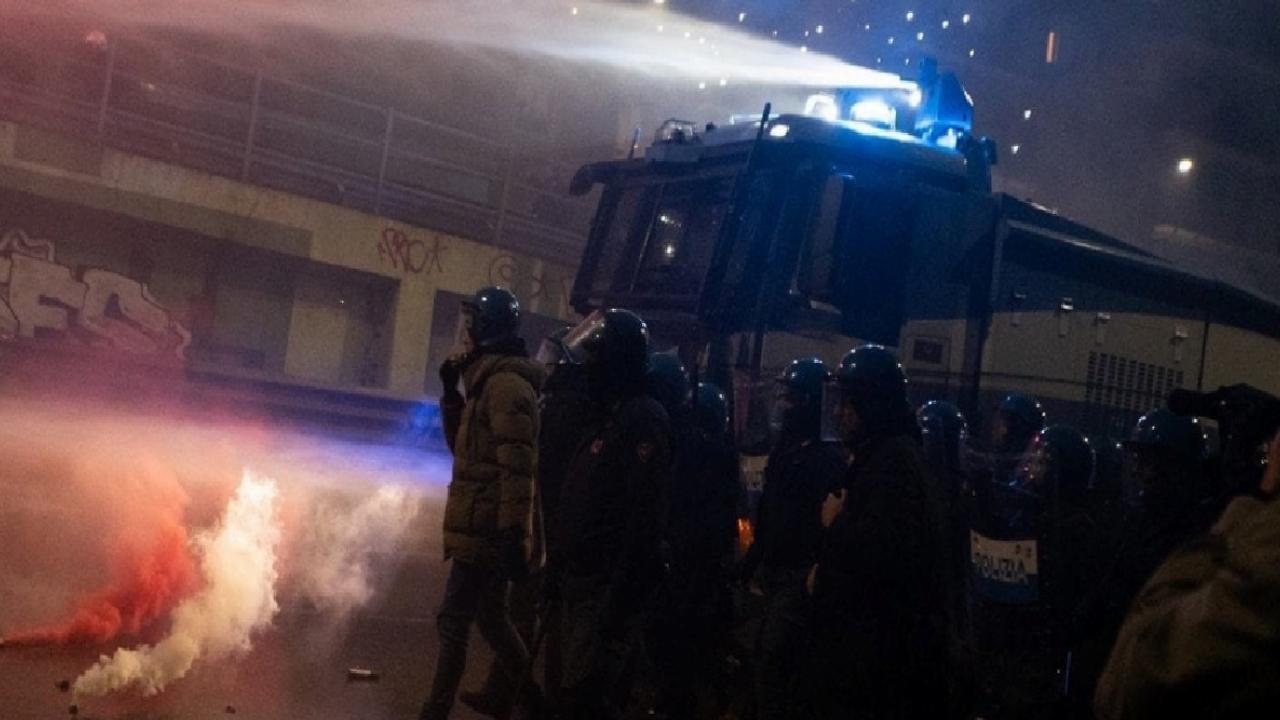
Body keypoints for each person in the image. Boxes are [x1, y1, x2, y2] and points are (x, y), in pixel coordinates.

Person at [1094, 427, 1280, 718]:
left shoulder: (1204, 530)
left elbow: (1138, 675)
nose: (1140, 472)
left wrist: (1257, 499)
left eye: (1149, 462)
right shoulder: (1131, 523)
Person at [421, 287, 545, 720]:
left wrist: (513, 533)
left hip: (486, 524)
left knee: (453, 619)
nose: (467, 332)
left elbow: (518, 468)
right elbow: (464, 447)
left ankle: (435, 711)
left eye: (473, 323)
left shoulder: (505, 386)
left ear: (487, 327)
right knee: (491, 618)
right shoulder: (486, 382)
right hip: (482, 519)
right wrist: (451, 395)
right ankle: (534, 700)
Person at [806, 345, 948, 719]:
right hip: (865, 653)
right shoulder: (883, 454)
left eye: (848, 403)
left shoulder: (894, 462)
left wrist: (836, 522)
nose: (838, 412)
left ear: (872, 404)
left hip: (878, 660)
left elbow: (885, 550)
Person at [550, 309, 673, 720]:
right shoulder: (610, 415)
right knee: (574, 691)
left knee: (584, 698)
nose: (587, 369)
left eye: (595, 359)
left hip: (603, 588)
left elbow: (643, 519)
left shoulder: (642, 420)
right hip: (580, 581)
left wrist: (616, 599)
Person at [737, 357, 846, 720]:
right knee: (759, 650)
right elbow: (770, 511)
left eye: (793, 398)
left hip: (799, 574)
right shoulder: (786, 449)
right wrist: (751, 561)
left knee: (775, 653)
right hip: (774, 567)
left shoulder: (828, 459)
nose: (785, 406)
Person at [971, 425, 1100, 719]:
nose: (1031, 466)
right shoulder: (1026, 511)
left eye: (1043, 461)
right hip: (1008, 650)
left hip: (1037, 660)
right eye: (1034, 457)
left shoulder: (1073, 527)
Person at [650, 381, 742, 719]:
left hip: (692, 556)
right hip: (700, 556)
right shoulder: (718, 454)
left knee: (683, 632)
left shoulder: (703, 453)